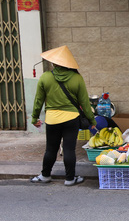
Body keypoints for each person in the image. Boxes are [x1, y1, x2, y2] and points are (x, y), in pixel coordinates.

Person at [30, 46, 96, 185]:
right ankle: (70, 179)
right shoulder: (77, 78)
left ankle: (45, 176)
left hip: (52, 119)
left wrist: (35, 118)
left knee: (51, 149)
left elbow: (38, 101)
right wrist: (92, 120)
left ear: (54, 63)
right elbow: (84, 102)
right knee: (69, 149)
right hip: (71, 119)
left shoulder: (46, 77)